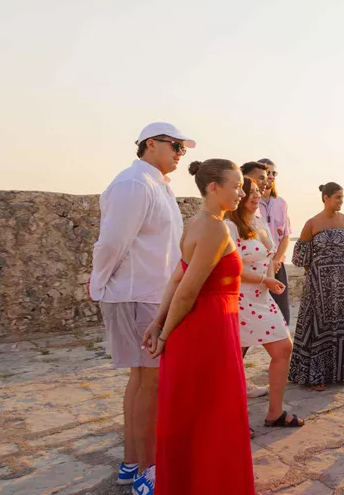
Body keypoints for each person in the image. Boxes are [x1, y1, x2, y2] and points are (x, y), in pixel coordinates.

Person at [141, 159, 255, 495]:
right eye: (237, 186)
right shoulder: (215, 229)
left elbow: (177, 277)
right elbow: (187, 290)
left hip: (202, 327)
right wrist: (162, 333)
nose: (242, 193)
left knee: (194, 414)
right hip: (208, 330)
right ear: (214, 188)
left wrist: (158, 322)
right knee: (214, 414)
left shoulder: (196, 222)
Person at [90, 122, 193, 491]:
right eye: (176, 146)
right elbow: (112, 242)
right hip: (139, 294)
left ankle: (132, 462)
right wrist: (99, 283)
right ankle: (149, 471)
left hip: (149, 293)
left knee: (142, 380)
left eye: (183, 148)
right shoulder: (134, 184)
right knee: (150, 382)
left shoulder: (155, 184)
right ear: (151, 144)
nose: (181, 154)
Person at [223, 176, 303, 428]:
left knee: (283, 349)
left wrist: (270, 280)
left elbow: (269, 257)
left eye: (258, 191)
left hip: (262, 297)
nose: (256, 195)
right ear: (238, 196)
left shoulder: (259, 222)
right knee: (233, 361)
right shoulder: (229, 226)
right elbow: (230, 268)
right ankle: (232, 422)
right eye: (250, 192)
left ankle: (275, 413)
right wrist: (264, 280)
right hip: (239, 299)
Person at [288, 182, 344, 391]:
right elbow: (300, 257)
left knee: (343, 323)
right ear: (326, 198)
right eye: (338, 197)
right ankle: (316, 376)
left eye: (342, 197)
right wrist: (315, 275)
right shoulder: (312, 223)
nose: (341, 201)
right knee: (319, 325)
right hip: (318, 284)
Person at [239, 160, 273, 399]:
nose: (265, 182)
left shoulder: (258, 218)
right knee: (240, 342)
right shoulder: (231, 224)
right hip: (244, 292)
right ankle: (235, 382)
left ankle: (238, 379)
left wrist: (271, 274)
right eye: (259, 178)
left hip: (264, 289)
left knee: (278, 345)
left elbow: (270, 248)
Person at [256, 158, 293, 325]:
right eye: (267, 173)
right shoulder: (250, 202)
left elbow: (286, 235)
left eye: (273, 173)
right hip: (258, 266)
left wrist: (276, 260)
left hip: (278, 266)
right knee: (257, 313)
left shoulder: (281, 203)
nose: (270, 176)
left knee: (282, 314)